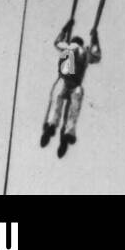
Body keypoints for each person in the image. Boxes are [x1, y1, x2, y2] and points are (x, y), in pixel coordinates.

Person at [40, 20, 101, 157]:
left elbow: (57, 42)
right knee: (74, 110)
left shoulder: (68, 47)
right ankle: (68, 132)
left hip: (65, 82)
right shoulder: (85, 52)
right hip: (76, 86)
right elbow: (97, 56)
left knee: (58, 102)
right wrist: (95, 38)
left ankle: (52, 125)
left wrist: (65, 28)